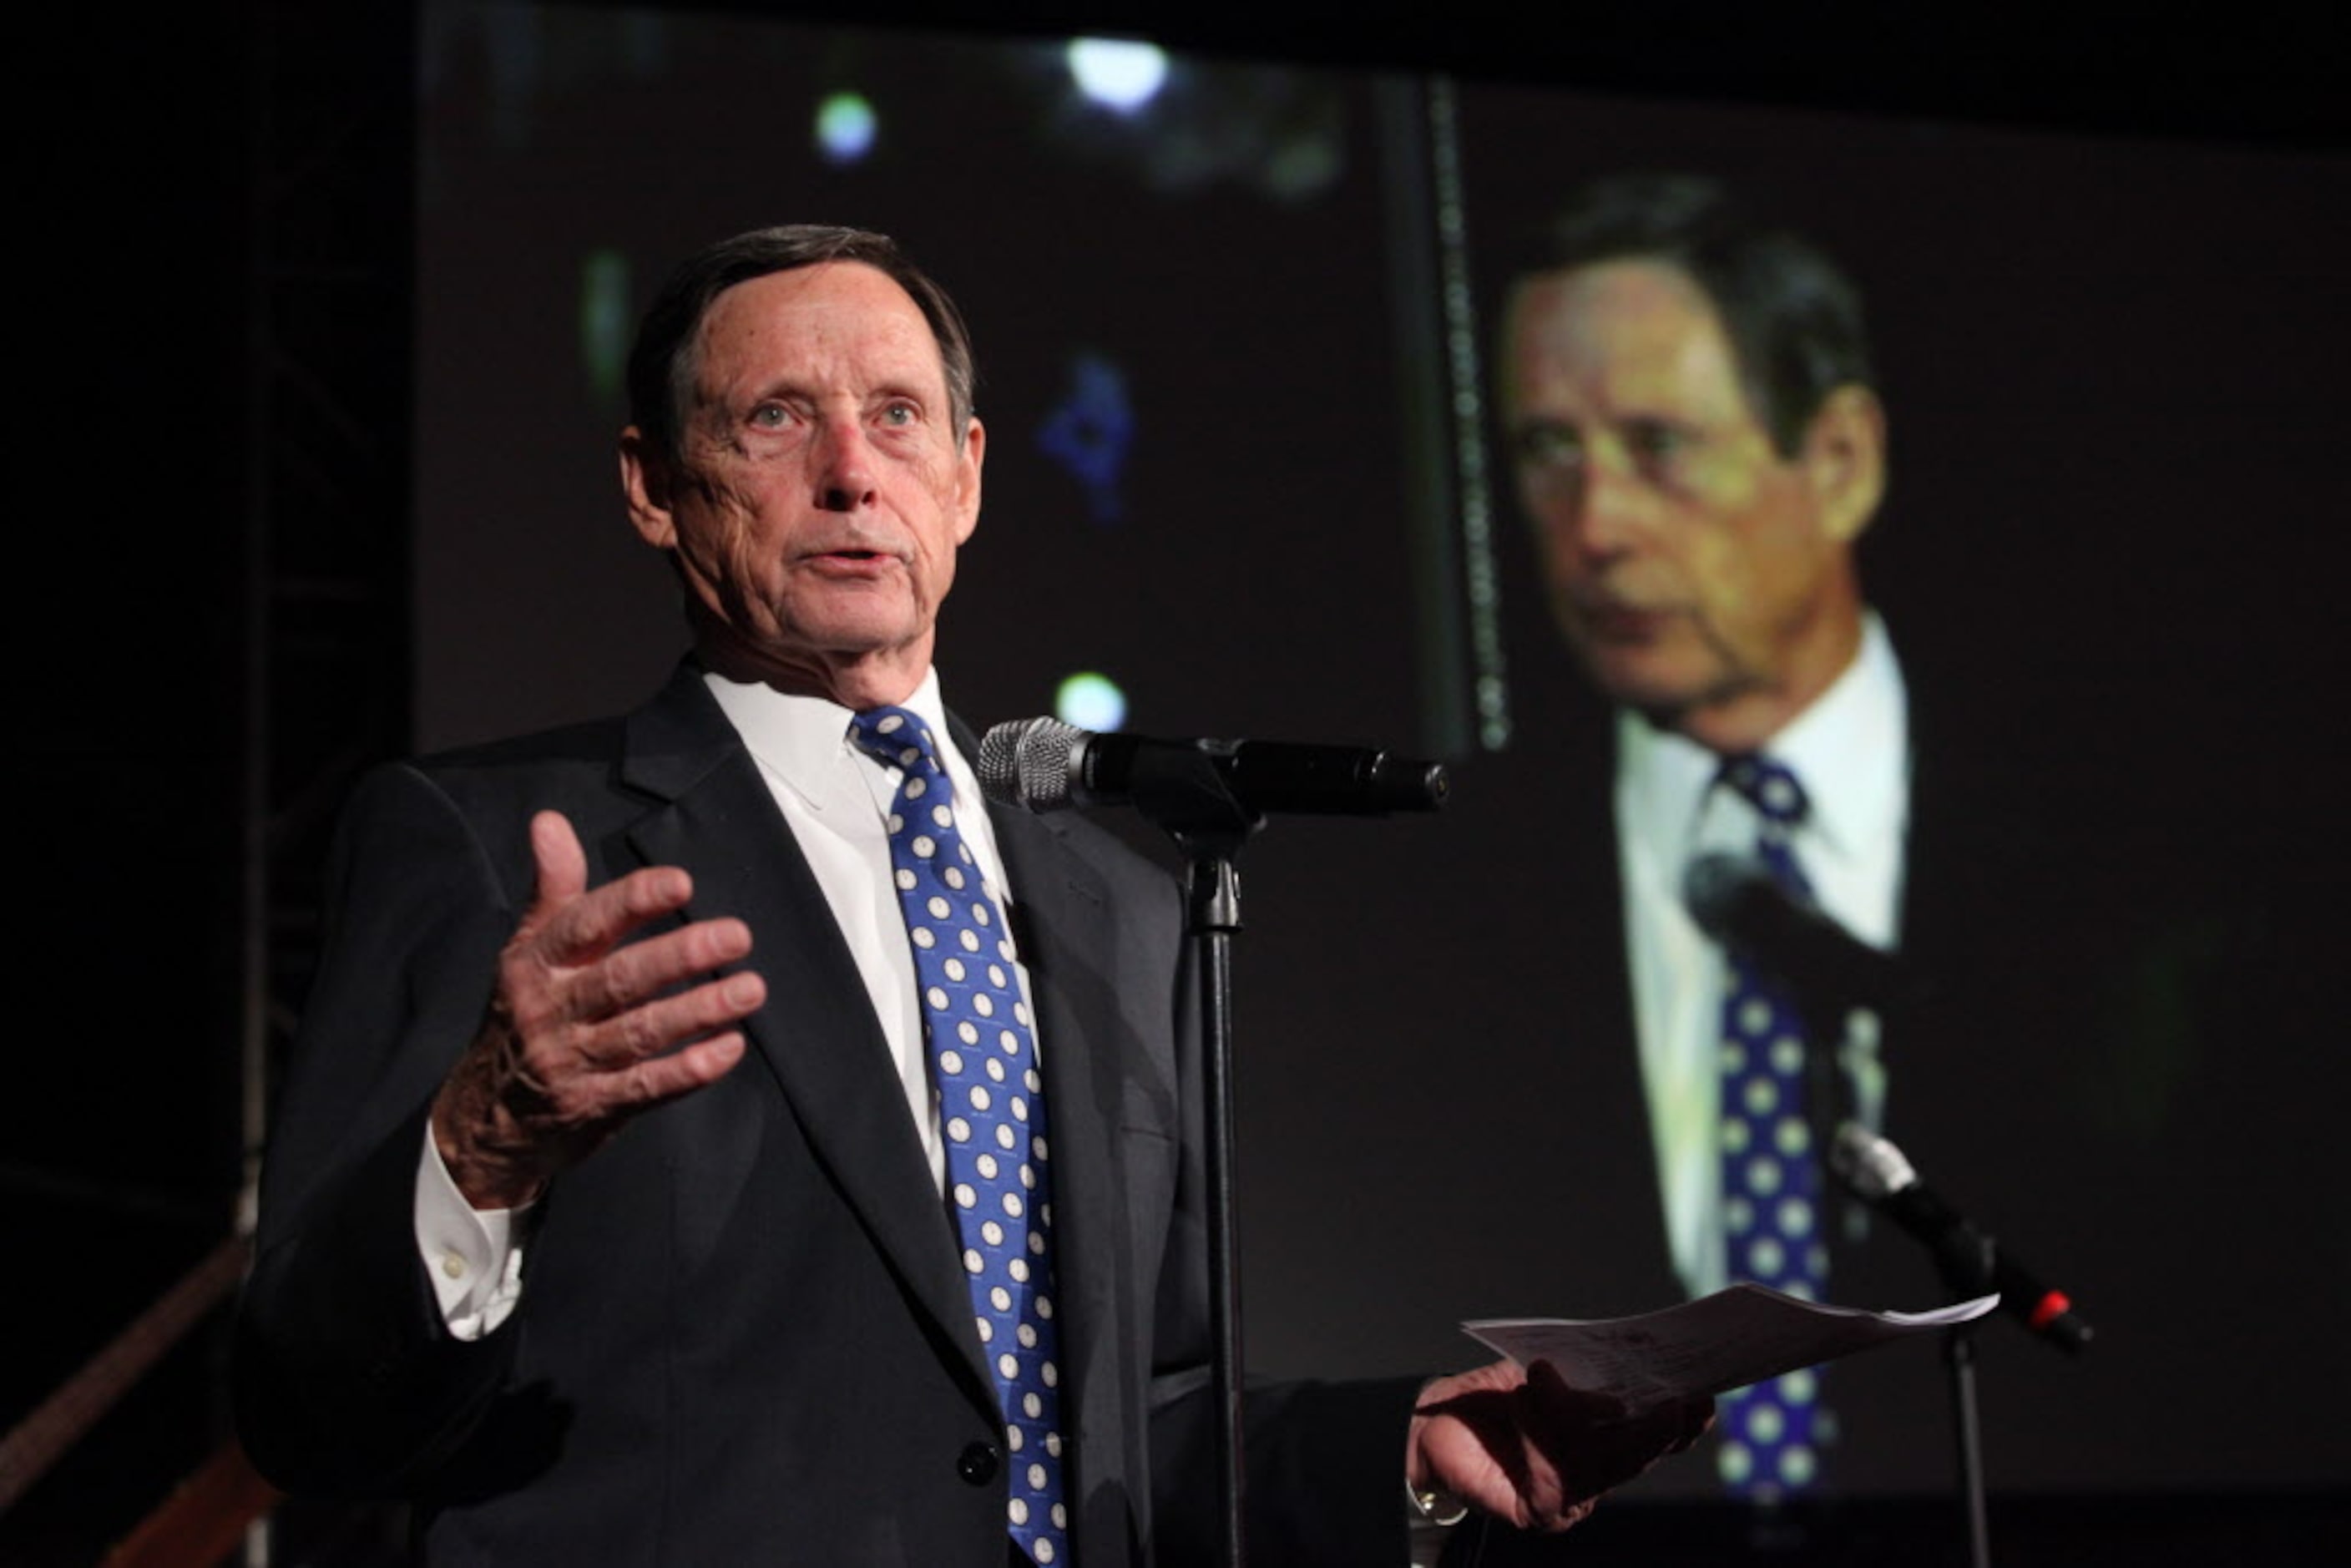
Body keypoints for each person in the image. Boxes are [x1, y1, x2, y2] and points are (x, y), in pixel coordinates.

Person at [235, 224, 1708, 1565]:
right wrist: (480, 1149)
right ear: (652, 490)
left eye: (895, 416)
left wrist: (1404, 1449)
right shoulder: (496, 841)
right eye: (773, 418)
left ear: (969, 476)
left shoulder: (1123, 897)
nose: (849, 470)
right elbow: (306, 1413)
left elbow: (1131, 1420)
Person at [1496, 175, 1900, 1500]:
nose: (1595, 529)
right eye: (1550, 452)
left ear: (1837, 459)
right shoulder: (1453, 886)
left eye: (1659, 443)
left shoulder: (2123, 852)